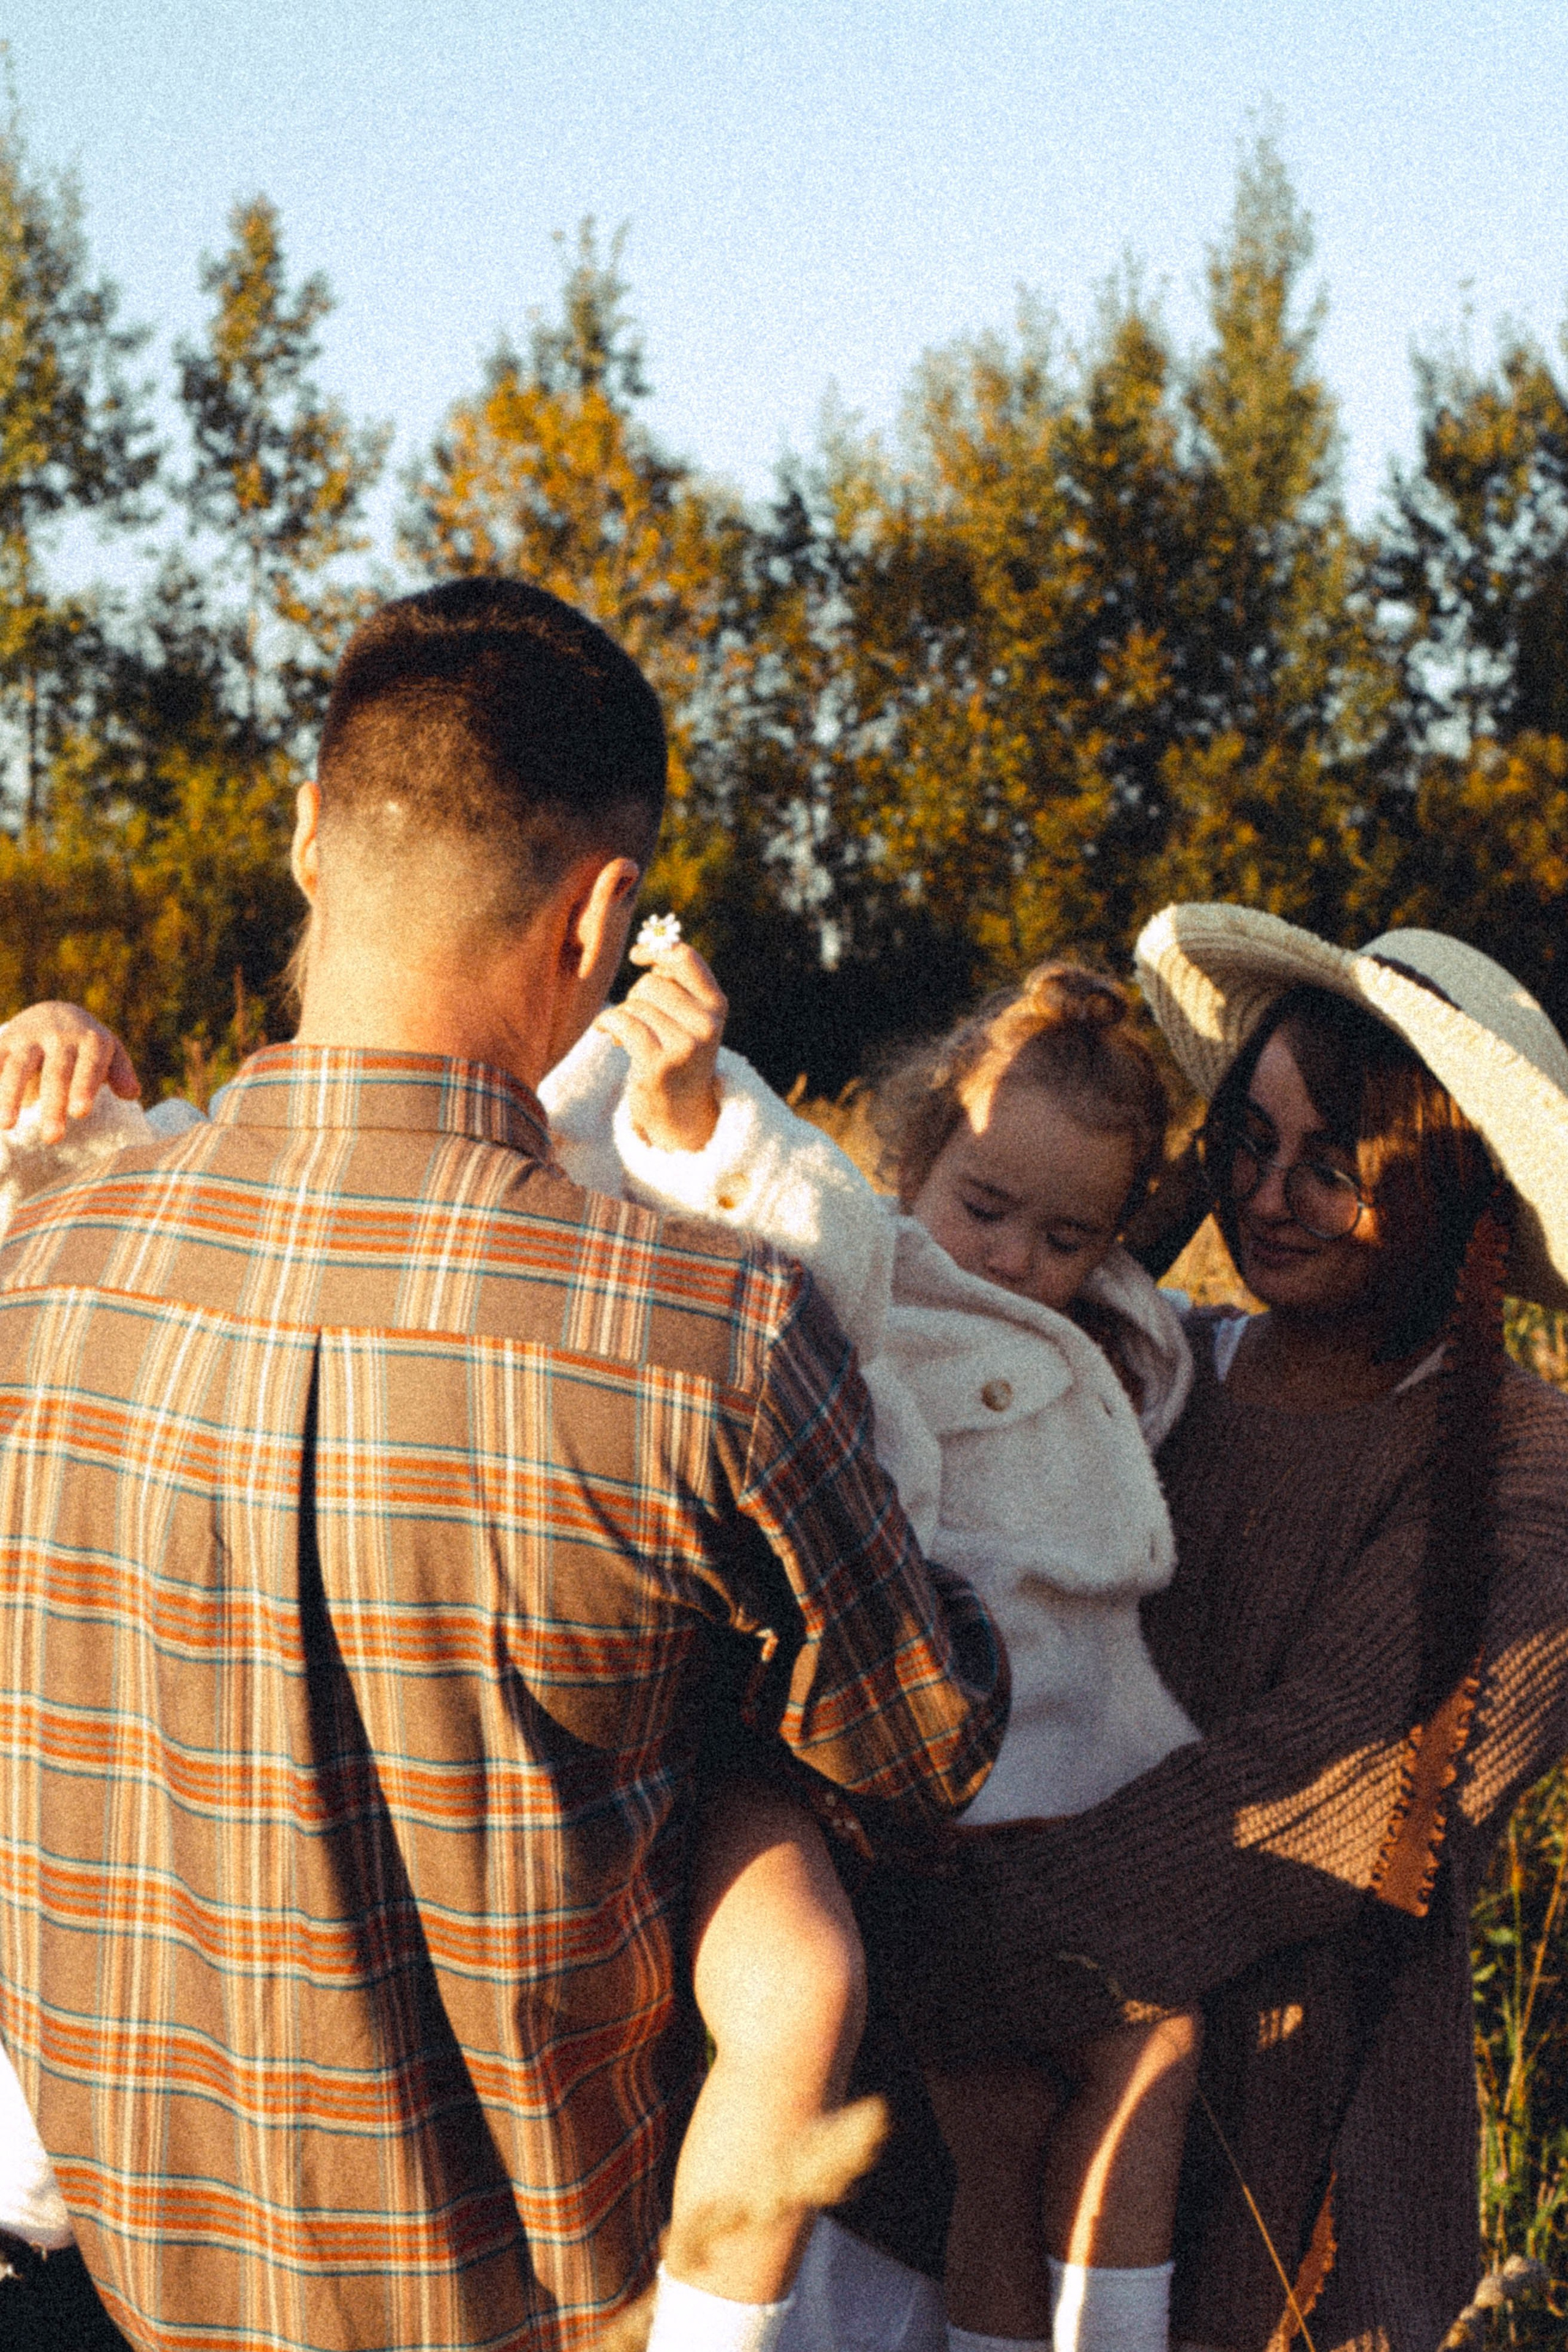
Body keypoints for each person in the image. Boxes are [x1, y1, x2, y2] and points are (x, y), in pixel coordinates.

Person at [0, 577, 1008, 2352]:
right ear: (605, 913)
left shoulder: (45, 1267)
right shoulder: (711, 1331)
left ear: (308, 835)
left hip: (115, 2295)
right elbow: (926, 1746)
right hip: (533, 2313)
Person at [815, 904, 1568, 2352]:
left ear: (1452, 1187)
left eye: (1334, 1165)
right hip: (968, 2112)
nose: (1271, 1197)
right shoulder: (1150, 1372)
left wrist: (958, 1959)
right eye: (1249, 1145)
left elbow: (1327, 1789)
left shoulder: (1518, 1466)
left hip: (1283, 2124)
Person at [539, 937, 1205, 2352]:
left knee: (1092, 2078)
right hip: (848, 1764)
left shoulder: (1121, 1352)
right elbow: (784, 1224)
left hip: (1032, 1797)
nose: (1016, 1260)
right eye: (985, 1207)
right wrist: (691, 1125)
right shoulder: (867, 1279)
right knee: (961, 2093)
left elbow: (1156, 1361)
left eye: (1068, 1236)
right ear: (911, 1157)